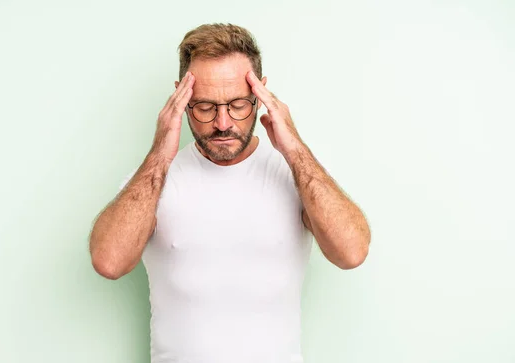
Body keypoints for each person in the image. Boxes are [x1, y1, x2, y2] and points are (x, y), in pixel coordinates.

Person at [89, 23, 371, 363]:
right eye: (205, 107)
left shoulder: (298, 174)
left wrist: (294, 148)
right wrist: (161, 154)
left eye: (238, 104)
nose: (223, 123)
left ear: (262, 95)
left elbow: (351, 252)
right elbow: (108, 262)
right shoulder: (153, 179)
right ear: (181, 97)